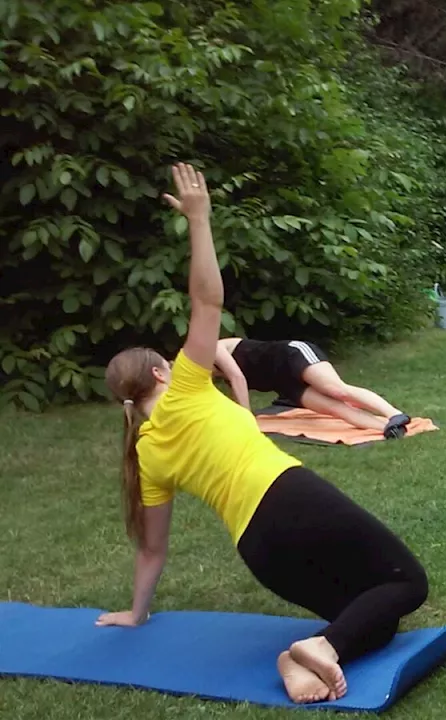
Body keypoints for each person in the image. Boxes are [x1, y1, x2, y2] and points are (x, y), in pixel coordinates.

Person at [99, 163, 428, 705]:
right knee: (408, 584)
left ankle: (305, 652)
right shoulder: (184, 385)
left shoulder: (146, 453)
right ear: (161, 371)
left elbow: (153, 550)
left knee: (375, 615)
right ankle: (320, 651)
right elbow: (208, 302)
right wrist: (200, 221)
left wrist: (137, 613)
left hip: (259, 551)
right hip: (287, 497)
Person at [214, 338, 410, 437]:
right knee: (336, 409)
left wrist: (246, 417)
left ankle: (394, 414)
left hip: (290, 356)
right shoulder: (202, 372)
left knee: (336, 389)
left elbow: (237, 377)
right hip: (283, 384)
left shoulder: (212, 348)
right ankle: (389, 429)